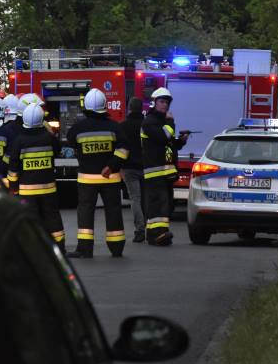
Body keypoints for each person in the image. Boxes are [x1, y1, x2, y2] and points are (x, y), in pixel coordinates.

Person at [65, 89, 128, 258]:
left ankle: (85, 249)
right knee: (113, 212)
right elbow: (123, 150)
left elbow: (70, 142)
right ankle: (117, 247)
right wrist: (111, 165)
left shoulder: (77, 129)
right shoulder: (115, 127)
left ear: (86, 107)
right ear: (104, 106)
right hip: (110, 178)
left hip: (86, 180)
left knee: (85, 213)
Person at [8, 104, 65, 252]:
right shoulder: (49, 138)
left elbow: (13, 167)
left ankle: (33, 250)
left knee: (30, 221)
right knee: (52, 218)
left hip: (27, 191)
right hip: (48, 188)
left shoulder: (19, 141)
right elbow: (58, 151)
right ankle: (59, 247)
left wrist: (13, 187)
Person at [140, 87, 190, 246]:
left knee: (164, 203)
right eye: (162, 102)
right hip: (154, 172)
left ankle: (155, 234)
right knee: (158, 205)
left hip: (164, 172)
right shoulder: (149, 122)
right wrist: (170, 122)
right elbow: (163, 137)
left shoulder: (161, 122)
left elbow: (167, 144)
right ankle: (158, 235)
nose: (165, 105)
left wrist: (181, 141)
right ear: (154, 103)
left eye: (167, 102)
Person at [119, 97, 146, 243]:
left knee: (135, 199)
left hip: (129, 168)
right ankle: (152, 228)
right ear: (141, 108)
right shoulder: (146, 124)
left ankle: (140, 230)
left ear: (129, 108)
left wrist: (119, 167)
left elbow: (120, 148)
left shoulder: (123, 126)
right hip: (147, 167)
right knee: (146, 199)